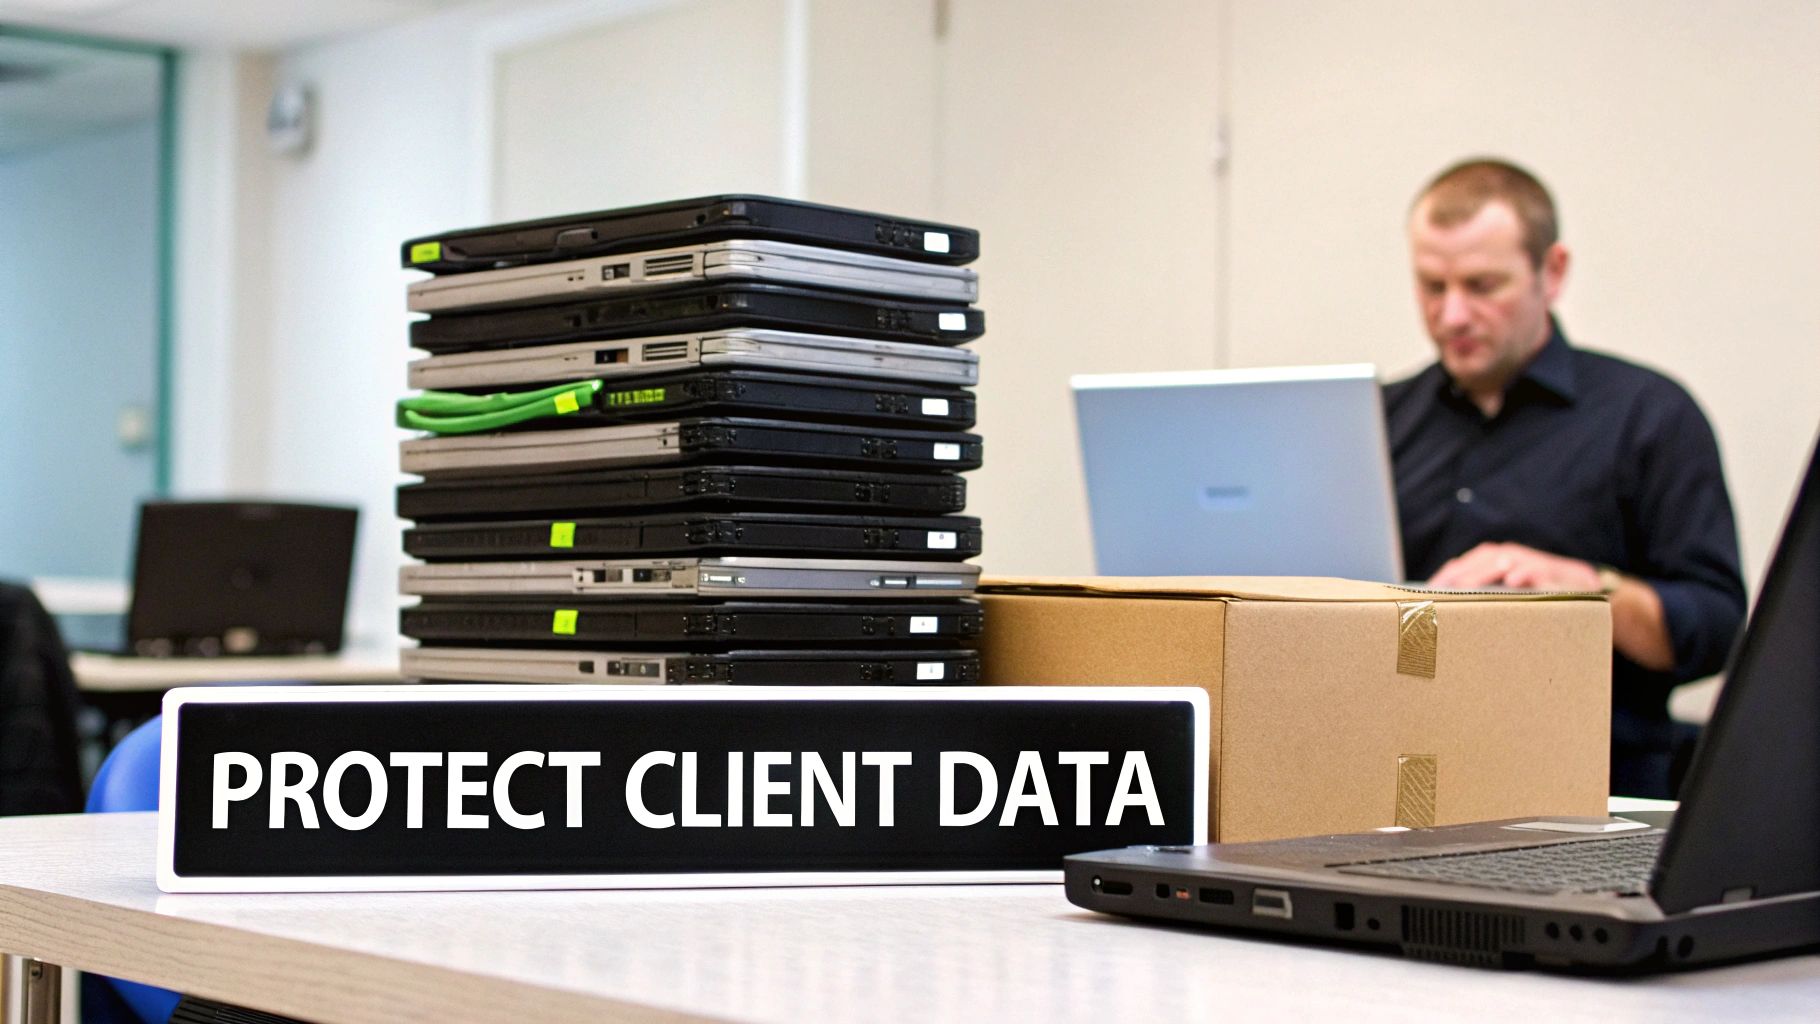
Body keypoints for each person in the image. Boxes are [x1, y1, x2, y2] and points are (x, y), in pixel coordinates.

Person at [1382, 159, 1747, 799]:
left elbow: (1716, 629)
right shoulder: (1381, 421)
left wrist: (1587, 588)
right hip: (1398, 781)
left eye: (1482, 285)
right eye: (1432, 286)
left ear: (1551, 273)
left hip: (1596, 792)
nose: (1453, 314)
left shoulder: (1649, 416)